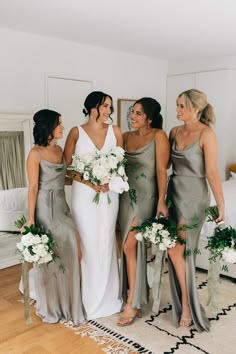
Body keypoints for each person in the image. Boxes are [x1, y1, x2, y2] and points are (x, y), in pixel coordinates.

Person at [167, 89, 225, 332]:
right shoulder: (174, 131)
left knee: (179, 249)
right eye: (177, 105)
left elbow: (211, 171)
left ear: (196, 109)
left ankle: (188, 306)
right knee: (174, 249)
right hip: (174, 193)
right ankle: (186, 300)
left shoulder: (206, 134)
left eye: (182, 106)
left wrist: (221, 203)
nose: (177, 110)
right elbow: (166, 163)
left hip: (194, 197)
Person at [64, 91, 123, 320]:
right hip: (83, 196)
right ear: (91, 107)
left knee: (106, 241)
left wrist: (110, 181)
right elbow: (66, 169)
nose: (108, 111)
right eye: (104, 106)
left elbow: (121, 165)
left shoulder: (115, 131)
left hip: (109, 196)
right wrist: (88, 180)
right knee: (87, 243)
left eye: (110, 107)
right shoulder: (75, 132)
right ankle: (86, 297)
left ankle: (108, 295)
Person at [22, 109, 85, 325]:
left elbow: (66, 176)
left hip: (61, 206)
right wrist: (31, 220)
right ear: (48, 126)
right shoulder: (35, 154)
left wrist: (90, 179)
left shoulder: (59, 150)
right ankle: (52, 306)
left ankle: (70, 304)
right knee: (50, 258)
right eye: (59, 123)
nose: (63, 127)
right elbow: (32, 188)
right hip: (45, 208)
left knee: (74, 251)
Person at [117, 97, 170, 326]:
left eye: (138, 113)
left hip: (146, 196)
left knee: (131, 245)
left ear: (149, 117)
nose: (133, 116)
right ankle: (136, 293)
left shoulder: (159, 135)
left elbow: (161, 170)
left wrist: (161, 201)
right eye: (132, 112)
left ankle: (133, 302)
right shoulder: (126, 137)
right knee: (128, 247)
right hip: (124, 196)